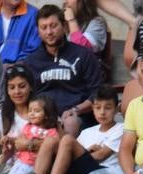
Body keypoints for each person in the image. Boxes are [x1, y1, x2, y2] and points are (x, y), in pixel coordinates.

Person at [23, 5, 104, 136]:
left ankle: (63, 153)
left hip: (77, 117)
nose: (49, 32)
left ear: (64, 26)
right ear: (38, 31)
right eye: (44, 27)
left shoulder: (83, 55)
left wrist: (77, 109)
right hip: (43, 118)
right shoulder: (31, 61)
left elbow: (97, 92)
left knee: (70, 122)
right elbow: (27, 96)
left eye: (53, 26)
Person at [45, 85, 122, 174]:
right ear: (93, 109)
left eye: (108, 108)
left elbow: (101, 155)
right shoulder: (87, 132)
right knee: (50, 141)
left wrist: (84, 154)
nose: (102, 112)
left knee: (67, 140)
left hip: (105, 172)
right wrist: (84, 153)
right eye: (98, 107)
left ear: (117, 109)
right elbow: (76, 155)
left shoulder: (121, 128)